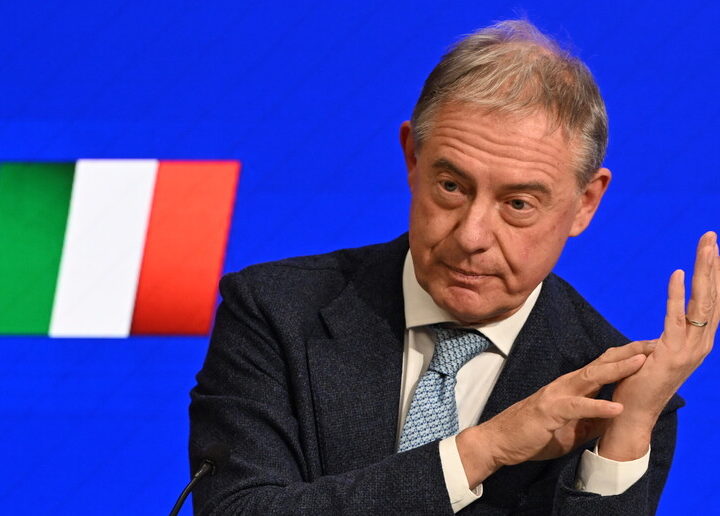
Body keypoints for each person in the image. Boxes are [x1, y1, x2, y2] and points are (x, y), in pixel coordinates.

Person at [189, 20, 719, 515]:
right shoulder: (276, 311)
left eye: (518, 204)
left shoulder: (615, 391)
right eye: (451, 187)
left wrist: (627, 432)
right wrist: (482, 450)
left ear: (586, 202)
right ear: (412, 159)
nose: (471, 237)